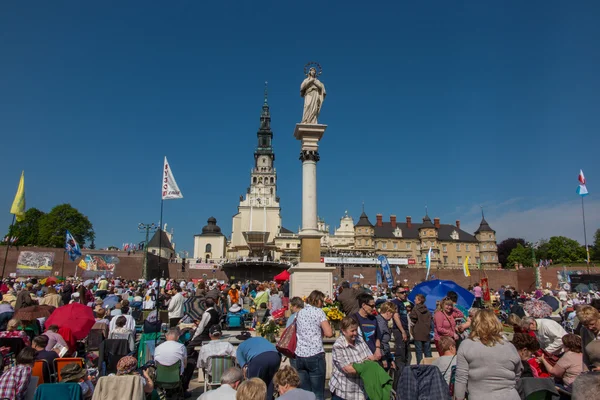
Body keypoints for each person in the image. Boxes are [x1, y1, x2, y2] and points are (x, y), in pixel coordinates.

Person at [454, 309, 522, 400]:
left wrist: (459, 397)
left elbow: (461, 378)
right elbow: (518, 373)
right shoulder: (509, 346)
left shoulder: (466, 345)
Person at [329, 316, 376, 400]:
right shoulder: (338, 346)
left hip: (361, 391)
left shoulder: (360, 339)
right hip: (344, 391)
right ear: (343, 331)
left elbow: (372, 358)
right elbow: (348, 369)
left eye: (356, 330)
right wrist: (365, 363)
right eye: (352, 331)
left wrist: (357, 365)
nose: (355, 333)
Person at [154, 328, 191, 396]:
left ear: (166, 337)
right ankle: (184, 389)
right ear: (178, 337)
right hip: (176, 377)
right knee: (190, 364)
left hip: (160, 377)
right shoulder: (182, 347)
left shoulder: (157, 348)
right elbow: (185, 365)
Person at [353, 293, 382, 357]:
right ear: (363, 305)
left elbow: (377, 337)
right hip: (359, 355)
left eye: (375, 306)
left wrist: (377, 349)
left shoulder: (374, 319)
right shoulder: (353, 319)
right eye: (371, 306)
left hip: (373, 355)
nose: (374, 309)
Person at [390, 287, 411, 368]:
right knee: (400, 353)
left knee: (406, 353)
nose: (404, 294)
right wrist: (402, 331)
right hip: (399, 330)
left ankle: (405, 371)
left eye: (405, 292)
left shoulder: (404, 302)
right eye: (402, 292)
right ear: (397, 294)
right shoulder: (395, 302)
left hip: (406, 328)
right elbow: (396, 317)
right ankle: (400, 373)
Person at [409, 293, 433, 364]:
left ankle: (420, 367)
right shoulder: (427, 310)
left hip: (417, 333)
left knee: (419, 352)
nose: (414, 300)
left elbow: (413, 319)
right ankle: (429, 366)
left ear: (419, 301)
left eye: (415, 299)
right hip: (426, 332)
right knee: (428, 352)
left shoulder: (415, 309)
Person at [375, 301, 396, 369]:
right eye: (392, 313)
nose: (392, 316)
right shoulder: (380, 322)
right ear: (388, 312)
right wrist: (383, 358)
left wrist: (390, 358)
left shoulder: (384, 321)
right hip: (381, 356)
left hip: (385, 353)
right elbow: (378, 340)